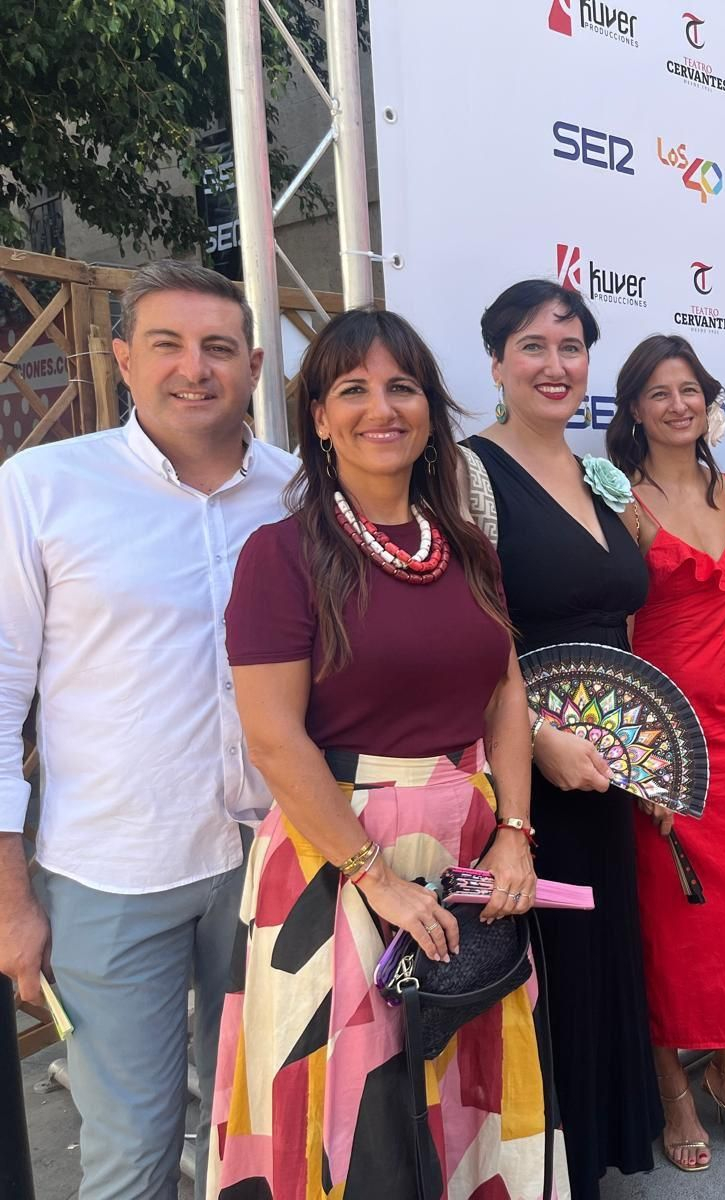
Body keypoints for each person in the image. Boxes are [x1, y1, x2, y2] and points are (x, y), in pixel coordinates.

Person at [209, 307, 561, 1197]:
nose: (382, 407)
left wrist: (514, 830)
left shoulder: (467, 549)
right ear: (319, 418)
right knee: (355, 1118)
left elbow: (506, 692)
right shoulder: (280, 555)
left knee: (464, 1093)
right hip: (337, 858)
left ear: (431, 411)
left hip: (466, 847)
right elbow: (273, 738)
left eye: (402, 387)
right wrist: (377, 878)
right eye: (352, 389)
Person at [0, 260, 295, 1200]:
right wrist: (10, 904)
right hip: (111, 875)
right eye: (166, 345)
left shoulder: (295, 495)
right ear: (122, 359)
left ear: (252, 365)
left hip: (268, 863)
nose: (193, 368)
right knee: (132, 1149)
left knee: (256, 1133)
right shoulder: (43, 488)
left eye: (217, 348)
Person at [463, 280, 661, 1199]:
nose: (555, 365)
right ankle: (537, 1168)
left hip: (608, 762)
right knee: (539, 965)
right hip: (521, 768)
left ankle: (587, 1155)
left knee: (598, 952)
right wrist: (536, 741)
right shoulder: (466, 473)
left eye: (572, 346)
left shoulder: (598, 474)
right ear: (497, 362)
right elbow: (471, 627)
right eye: (533, 347)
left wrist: (641, 746)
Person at [606, 334, 725, 1169]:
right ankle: (674, 1087)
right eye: (658, 392)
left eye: (690, 390)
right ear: (633, 408)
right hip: (657, 734)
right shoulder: (620, 499)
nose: (677, 404)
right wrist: (637, 759)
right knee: (669, 922)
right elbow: (619, 635)